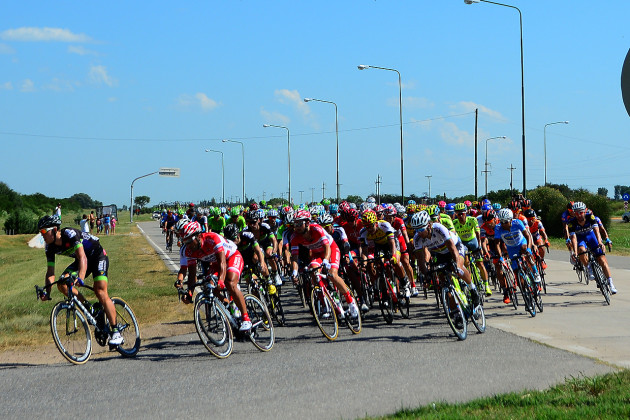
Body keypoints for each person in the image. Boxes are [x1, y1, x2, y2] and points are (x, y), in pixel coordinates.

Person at [37, 215, 123, 345]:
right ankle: (90, 309)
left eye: (43, 231)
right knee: (62, 283)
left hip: (97, 256)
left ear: (54, 229)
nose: (41, 235)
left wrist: (81, 278)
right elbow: (50, 272)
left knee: (100, 291)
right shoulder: (49, 247)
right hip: (81, 260)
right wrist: (47, 292)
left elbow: (83, 257)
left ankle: (116, 332)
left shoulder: (69, 234)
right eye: (40, 232)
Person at [178, 220, 252, 331]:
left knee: (230, 283)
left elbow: (222, 262)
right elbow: (192, 273)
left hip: (231, 257)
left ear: (198, 236)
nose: (188, 245)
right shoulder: (188, 250)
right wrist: (190, 293)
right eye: (185, 242)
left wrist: (221, 280)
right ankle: (230, 305)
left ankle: (246, 319)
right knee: (210, 287)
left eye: (189, 241)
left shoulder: (212, 238)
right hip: (216, 263)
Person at [567, 202, 617, 294]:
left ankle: (611, 283)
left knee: (602, 260)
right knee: (581, 250)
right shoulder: (571, 223)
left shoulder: (591, 217)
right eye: (576, 213)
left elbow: (597, 230)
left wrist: (600, 242)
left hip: (591, 236)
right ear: (574, 213)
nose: (579, 215)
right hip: (580, 238)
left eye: (581, 212)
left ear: (585, 211)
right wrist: (575, 252)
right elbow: (573, 238)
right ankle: (588, 267)